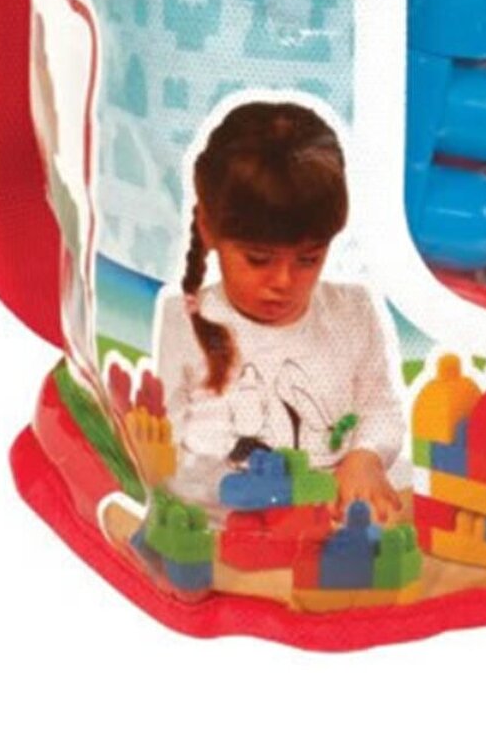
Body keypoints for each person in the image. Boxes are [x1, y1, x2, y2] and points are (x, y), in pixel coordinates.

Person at [154, 100, 404, 518]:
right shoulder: (185, 321)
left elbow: (380, 408)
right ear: (209, 229)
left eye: (308, 259)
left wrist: (366, 456)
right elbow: (167, 452)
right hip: (226, 526)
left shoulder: (352, 313)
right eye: (258, 259)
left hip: (333, 525)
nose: (284, 282)